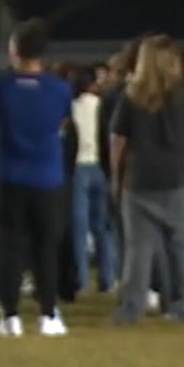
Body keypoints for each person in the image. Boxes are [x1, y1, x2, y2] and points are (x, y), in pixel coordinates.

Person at [109, 35, 184, 324]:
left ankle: (132, 307)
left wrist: (116, 178)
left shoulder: (131, 97)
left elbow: (118, 140)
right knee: (180, 248)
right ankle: (183, 305)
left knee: (138, 250)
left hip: (140, 180)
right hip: (180, 179)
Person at [0, 19, 73, 338]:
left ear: (14, 51)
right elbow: (63, 123)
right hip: (48, 175)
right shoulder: (60, 88)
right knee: (46, 248)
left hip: (11, 173)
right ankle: (48, 313)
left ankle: (10, 316)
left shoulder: (1, 87)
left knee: (10, 246)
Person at [70, 66, 117, 294]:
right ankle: (108, 278)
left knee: (79, 227)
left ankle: (82, 280)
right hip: (101, 166)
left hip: (78, 167)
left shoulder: (71, 107)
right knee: (103, 227)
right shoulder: (101, 105)